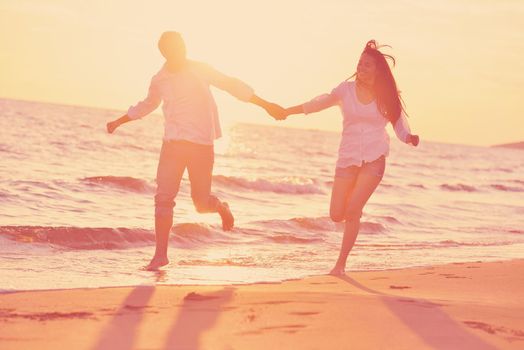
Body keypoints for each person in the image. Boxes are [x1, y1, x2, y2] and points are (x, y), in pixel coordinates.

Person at [106, 31, 285, 271]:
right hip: (172, 145)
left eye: (182, 48)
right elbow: (148, 105)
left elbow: (231, 85)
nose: (181, 53)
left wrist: (266, 105)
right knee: (163, 199)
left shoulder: (200, 69)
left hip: (201, 145)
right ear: (165, 53)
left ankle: (221, 207)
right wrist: (119, 121)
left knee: (201, 205)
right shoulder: (160, 79)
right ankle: (160, 255)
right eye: (174, 50)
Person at [279, 40, 419, 275]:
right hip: (347, 158)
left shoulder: (386, 96)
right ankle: (355, 211)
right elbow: (318, 103)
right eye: (360, 64)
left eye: (367, 65)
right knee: (336, 215)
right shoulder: (345, 90)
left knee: (352, 211)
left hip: (374, 159)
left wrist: (409, 138)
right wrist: (287, 111)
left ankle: (340, 266)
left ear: (377, 70)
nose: (361, 69)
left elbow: (399, 125)